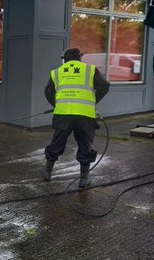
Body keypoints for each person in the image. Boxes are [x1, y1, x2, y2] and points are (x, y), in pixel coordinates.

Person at [42, 48, 110, 188]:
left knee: (57, 142)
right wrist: (93, 101)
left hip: (63, 114)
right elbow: (104, 85)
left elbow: (48, 92)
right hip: (84, 115)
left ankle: (47, 171)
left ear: (64, 59)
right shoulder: (90, 69)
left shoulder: (57, 72)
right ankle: (84, 179)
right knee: (85, 145)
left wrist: (57, 104)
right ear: (80, 58)